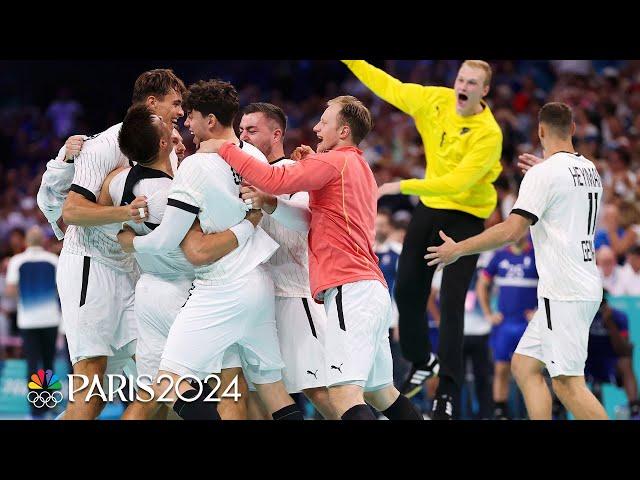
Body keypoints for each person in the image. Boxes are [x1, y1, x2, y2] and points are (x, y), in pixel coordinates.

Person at [199, 95, 423, 420]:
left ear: (343, 131)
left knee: (344, 394)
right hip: (369, 289)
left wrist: (224, 147)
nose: (316, 127)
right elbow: (317, 217)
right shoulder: (357, 166)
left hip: (349, 290)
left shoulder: (334, 162)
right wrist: (300, 174)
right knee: (381, 393)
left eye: (325, 122)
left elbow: (273, 180)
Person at [117, 79, 303, 420]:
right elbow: (256, 211)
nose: (187, 123)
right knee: (272, 389)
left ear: (211, 121)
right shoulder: (253, 154)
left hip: (221, 285)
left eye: (191, 116)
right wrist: (248, 224)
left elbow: (166, 240)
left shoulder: (195, 166)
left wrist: (130, 241)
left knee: (167, 383)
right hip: (258, 282)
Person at [426, 102, 608, 420]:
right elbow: (564, 194)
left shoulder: (544, 175)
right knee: (524, 366)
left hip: (564, 291)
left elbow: (512, 231)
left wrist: (459, 249)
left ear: (539, 132)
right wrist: (543, 172)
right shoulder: (588, 170)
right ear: (573, 130)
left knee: (567, 385)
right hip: (579, 284)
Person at [342, 60, 503, 418]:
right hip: (430, 207)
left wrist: (400, 185)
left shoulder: (488, 134)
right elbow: (387, 85)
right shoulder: (433, 100)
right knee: (407, 291)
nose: (464, 86)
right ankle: (421, 359)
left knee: (451, 301)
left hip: (467, 215)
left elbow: (458, 182)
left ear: (484, 91)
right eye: (461, 78)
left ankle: (446, 390)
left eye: (472, 82)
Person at [42, 68, 187, 420]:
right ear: (153, 103)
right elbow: (72, 211)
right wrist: (125, 212)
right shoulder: (104, 145)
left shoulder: (169, 150)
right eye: (176, 104)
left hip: (132, 272)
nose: (181, 112)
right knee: (92, 388)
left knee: (158, 377)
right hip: (91, 266)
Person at [98, 104, 253, 419]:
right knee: (228, 386)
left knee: (158, 390)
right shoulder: (172, 191)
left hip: (148, 293)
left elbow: (108, 222)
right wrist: (250, 221)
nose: (175, 126)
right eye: (167, 127)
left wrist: (125, 237)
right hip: (184, 293)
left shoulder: (120, 181)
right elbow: (201, 247)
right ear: (162, 143)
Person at [232, 102, 336, 419]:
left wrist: (267, 200)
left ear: (276, 134)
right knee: (255, 395)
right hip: (254, 297)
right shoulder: (236, 179)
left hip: (293, 294)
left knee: (321, 391)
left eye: (252, 130)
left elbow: (306, 220)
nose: (243, 137)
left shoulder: (296, 171)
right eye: (240, 131)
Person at [476, 236, 538, 419]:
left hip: (528, 325)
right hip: (505, 324)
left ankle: (533, 412)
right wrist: (488, 313)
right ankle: (500, 412)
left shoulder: (536, 255)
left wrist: (540, 312)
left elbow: (551, 285)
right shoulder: (500, 256)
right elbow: (482, 284)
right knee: (501, 369)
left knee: (530, 372)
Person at [4, 226, 61, 419]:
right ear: (42, 242)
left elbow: (11, 291)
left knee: (32, 364)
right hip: (51, 319)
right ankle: (50, 402)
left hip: (28, 321)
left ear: (26, 242)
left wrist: (27, 294)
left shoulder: (17, 261)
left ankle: (36, 410)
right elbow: (62, 288)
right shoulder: (53, 260)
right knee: (48, 364)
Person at [585, 291, 640, 419]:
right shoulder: (583, 316)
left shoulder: (619, 317)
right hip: (587, 362)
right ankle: (557, 408)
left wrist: (610, 323)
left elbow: (623, 350)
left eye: (601, 302)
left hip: (610, 363)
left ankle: (635, 409)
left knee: (626, 360)